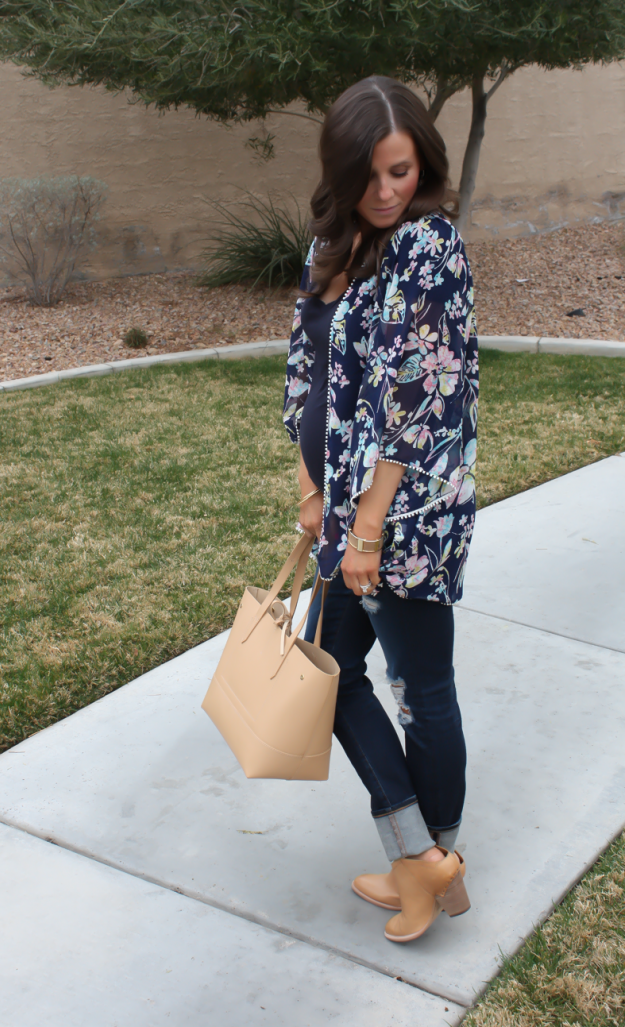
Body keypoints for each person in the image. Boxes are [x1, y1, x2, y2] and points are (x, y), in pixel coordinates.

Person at [283, 76, 479, 944]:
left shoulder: (429, 248)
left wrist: (365, 526)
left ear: (421, 161)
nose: (387, 191)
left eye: (400, 171)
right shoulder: (328, 248)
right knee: (322, 667)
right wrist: (310, 490)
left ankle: (424, 868)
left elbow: (417, 402)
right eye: (369, 176)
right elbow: (304, 375)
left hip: (406, 519)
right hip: (339, 513)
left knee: (420, 690)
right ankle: (421, 865)